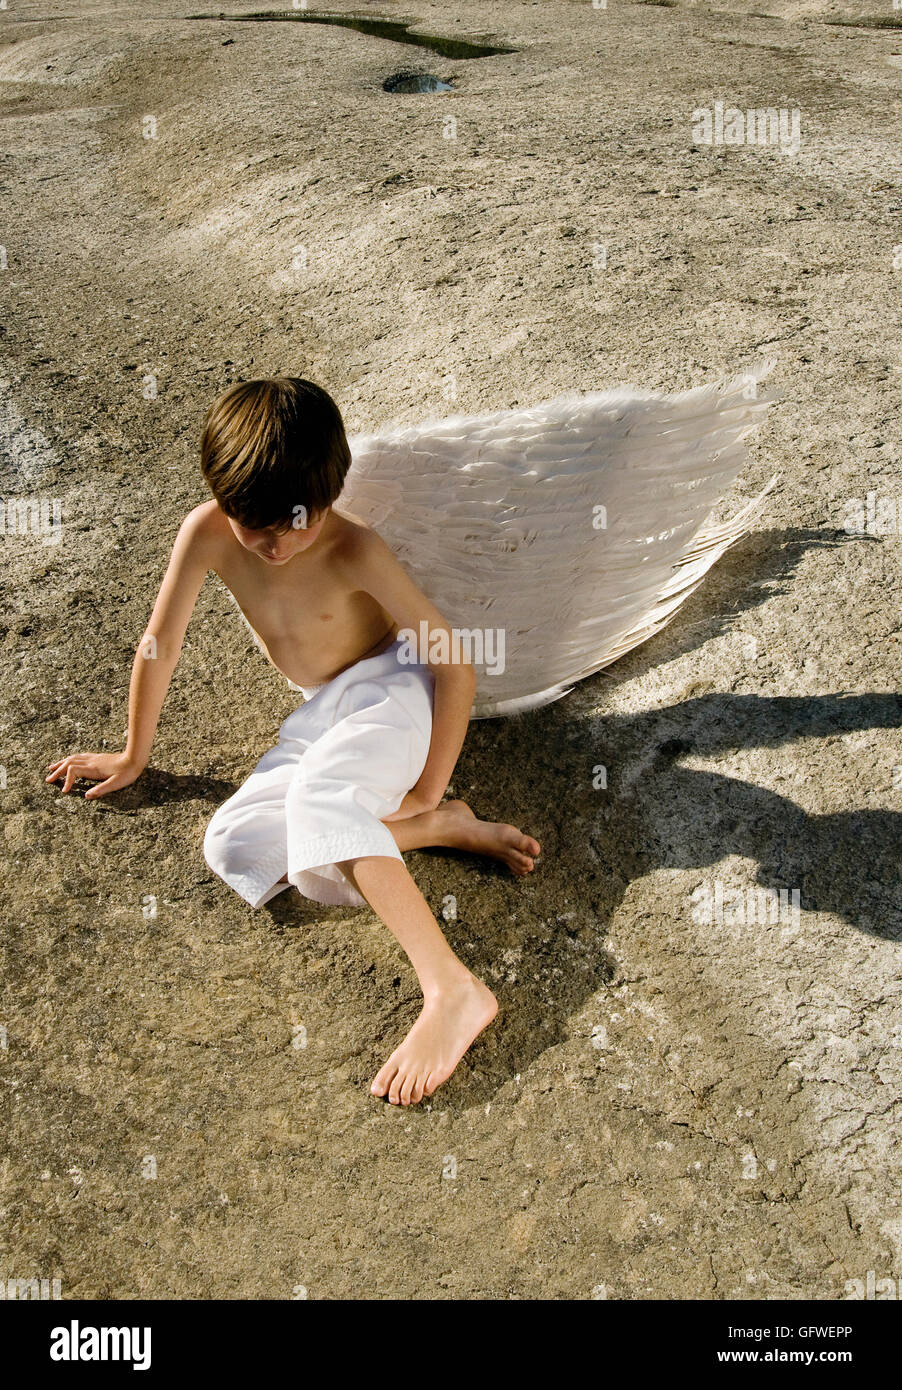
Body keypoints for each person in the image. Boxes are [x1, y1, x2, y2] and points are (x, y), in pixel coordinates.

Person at [46, 377, 541, 1106]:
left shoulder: (352, 550)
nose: (276, 545)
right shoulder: (208, 531)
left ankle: (452, 988)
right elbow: (161, 643)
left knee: (319, 807)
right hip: (326, 712)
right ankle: (436, 830)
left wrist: (430, 780)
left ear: (330, 496)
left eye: (295, 523)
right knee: (236, 848)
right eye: (256, 524)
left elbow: (452, 662)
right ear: (223, 497)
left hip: (394, 693)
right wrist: (134, 754)